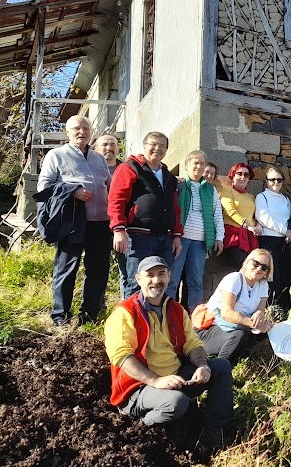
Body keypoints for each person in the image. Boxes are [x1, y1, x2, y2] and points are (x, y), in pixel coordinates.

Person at [104, 256, 234, 446]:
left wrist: (202, 366)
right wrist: (156, 381)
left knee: (221, 367)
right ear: (138, 279)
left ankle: (217, 434)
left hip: (175, 378)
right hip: (139, 387)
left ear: (169, 276)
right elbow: (122, 357)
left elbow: (193, 343)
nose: (156, 280)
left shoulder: (176, 309)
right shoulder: (125, 312)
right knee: (176, 402)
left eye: (161, 274)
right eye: (150, 275)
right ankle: (138, 430)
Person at [36, 115, 112, 325]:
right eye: (77, 129)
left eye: (86, 129)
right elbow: (44, 187)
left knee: (98, 270)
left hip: (100, 223)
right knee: (67, 268)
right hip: (71, 222)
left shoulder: (99, 158)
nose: (82, 132)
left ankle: (89, 316)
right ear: (67, 133)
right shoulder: (56, 155)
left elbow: (110, 185)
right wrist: (73, 191)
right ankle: (60, 316)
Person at [108, 131, 183, 298]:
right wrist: (118, 229)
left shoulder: (168, 177)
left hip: (165, 238)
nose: (157, 149)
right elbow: (116, 198)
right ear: (144, 147)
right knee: (137, 283)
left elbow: (174, 208)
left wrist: (177, 235)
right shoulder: (129, 168)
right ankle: (132, 322)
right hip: (138, 236)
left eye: (162, 146)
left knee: (163, 284)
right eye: (153, 144)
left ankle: (156, 322)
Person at [168, 151, 225, 310]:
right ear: (187, 166)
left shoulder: (210, 190)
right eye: (196, 163)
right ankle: (168, 316)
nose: (199, 166)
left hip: (200, 242)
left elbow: (216, 214)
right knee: (172, 279)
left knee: (196, 281)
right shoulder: (178, 185)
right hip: (179, 239)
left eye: (202, 163)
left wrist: (219, 237)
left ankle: (195, 318)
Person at [196, 249, 274, 364]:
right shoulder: (234, 279)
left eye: (264, 268)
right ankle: (220, 368)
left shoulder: (263, 285)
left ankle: (249, 366)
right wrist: (254, 324)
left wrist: (260, 315)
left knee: (268, 333)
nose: (259, 269)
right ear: (247, 262)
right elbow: (227, 313)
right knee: (239, 336)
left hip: (234, 329)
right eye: (255, 264)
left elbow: (260, 311)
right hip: (210, 329)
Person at [255, 167, 291, 310]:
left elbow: (290, 217)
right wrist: (286, 231)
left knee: (285, 274)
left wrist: (289, 232)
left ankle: (282, 308)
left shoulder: (285, 199)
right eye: (272, 179)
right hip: (269, 241)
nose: (275, 182)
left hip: (284, 242)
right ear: (266, 181)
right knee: (271, 276)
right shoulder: (262, 197)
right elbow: (264, 218)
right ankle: (268, 308)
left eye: (279, 180)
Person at [95, 132, 128, 296]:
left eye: (113, 145)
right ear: (96, 149)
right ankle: (98, 307)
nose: (109, 148)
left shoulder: (127, 169)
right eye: (105, 145)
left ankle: (126, 306)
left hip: (122, 225)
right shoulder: (91, 169)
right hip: (98, 223)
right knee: (98, 268)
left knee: (126, 268)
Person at [219, 163, 262, 269]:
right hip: (234, 237)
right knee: (242, 266)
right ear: (233, 176)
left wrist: (257, 225)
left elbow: (253, 216)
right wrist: (247, 225)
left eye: (246, 175)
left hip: (250, 237)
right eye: (239, 174)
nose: (243, 177)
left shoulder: (251, 196)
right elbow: (230, 211)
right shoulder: (227, 191)